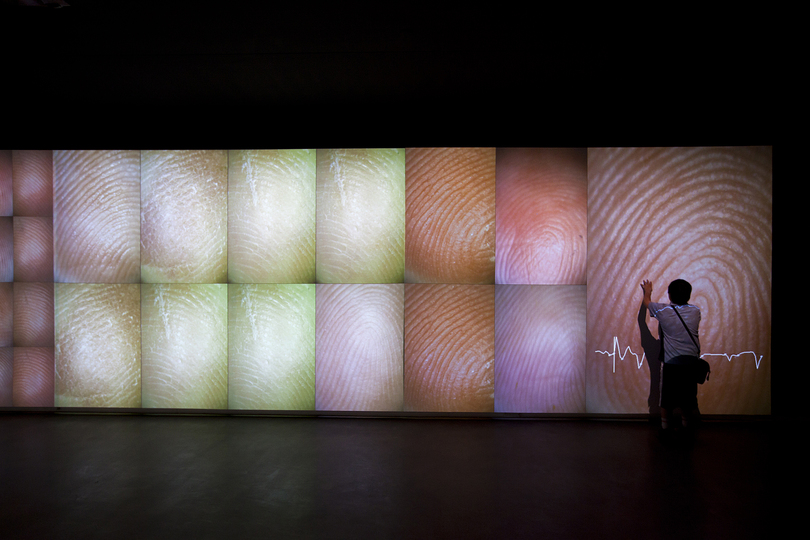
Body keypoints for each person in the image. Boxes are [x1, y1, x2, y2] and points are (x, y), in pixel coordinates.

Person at [640, 279, 701, 433]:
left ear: (670, 294)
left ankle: (665, 430)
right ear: (688, 295)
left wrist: (647, 291)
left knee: (667, 401)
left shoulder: (663, 311)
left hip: (671, 363)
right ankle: (687, 429)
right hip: (691, 363)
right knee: (688, 400)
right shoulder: (695, 311)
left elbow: (646, 304)